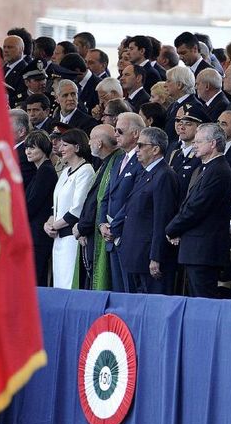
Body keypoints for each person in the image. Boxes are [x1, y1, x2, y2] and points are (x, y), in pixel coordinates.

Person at [165, 123, 231, 298]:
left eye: (198, 141)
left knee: (203, 300)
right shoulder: (207, 168)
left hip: (204, 250)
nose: (194, 145)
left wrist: (172, 229)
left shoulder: (218, 170)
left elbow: (197, 207)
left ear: (212, 144)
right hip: (196, 249)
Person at [113, 127, 179, 294]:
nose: (137, 149)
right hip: (135, 255)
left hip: (149, 259)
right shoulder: (146, 173)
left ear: (155, 149)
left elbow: (162, 219)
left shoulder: (164, 175)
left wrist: (156, 256)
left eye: (141, 145)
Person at [99, 113, 145, 292]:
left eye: (119, 130)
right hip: (111, 236)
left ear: (135, 134)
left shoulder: (140, 160)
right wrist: (102, 223)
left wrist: (114, 227)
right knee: (118, 290)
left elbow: (132, 198)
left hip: (127, 235)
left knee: (129, 291)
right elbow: (106, 195)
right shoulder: (118, 159)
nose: (115, 134)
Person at [45, 129, 95, 289]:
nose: (61, 149)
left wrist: (55, 226)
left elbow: (77, 209)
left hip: (71, 239)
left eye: (65, 145)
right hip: (58, 238)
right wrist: (49, 223)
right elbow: (56, 204)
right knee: (59, 284)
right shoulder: (66, 171)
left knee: (69, 283)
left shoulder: (86, 171)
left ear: (77, 147)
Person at [73, 124, 122, 290]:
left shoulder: (116, 162)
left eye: (91, 139)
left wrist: (82, 226)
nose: (88, 144)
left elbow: (97, 202)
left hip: (99, 233)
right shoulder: (106, 162)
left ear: (99, 143)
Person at [24, 130, 58, 287]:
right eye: (26, 148)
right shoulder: (40, 170)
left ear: (44, 148)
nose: (28, 151)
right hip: (35, 233)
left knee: (37, 278)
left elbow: (32, 203)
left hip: (39, 235)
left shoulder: (46, 170)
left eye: (32, 147)